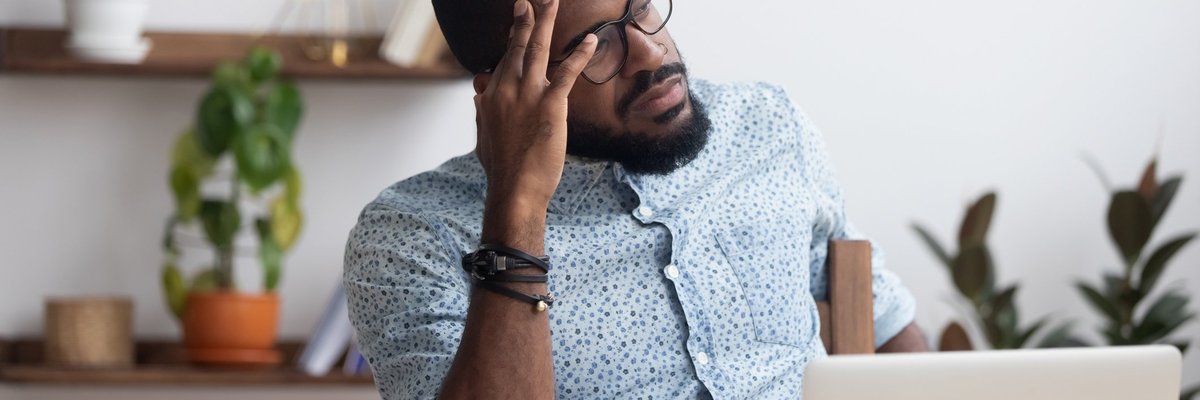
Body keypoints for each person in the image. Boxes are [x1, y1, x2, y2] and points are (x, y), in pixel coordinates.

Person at [343, 0, 928, 398]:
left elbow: (880, 316)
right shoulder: (411, 236)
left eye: (641, 5)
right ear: (502, 90)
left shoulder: (768, 125)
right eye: (592, 47)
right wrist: (518, 209)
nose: (649, 52)